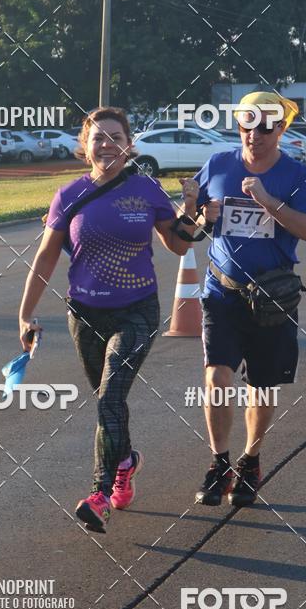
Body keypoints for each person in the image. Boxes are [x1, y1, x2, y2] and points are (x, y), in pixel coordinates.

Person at [18, 107, 201, 533]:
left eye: (115, 136)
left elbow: (178, 244)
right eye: (98, 137)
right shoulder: (68, 196)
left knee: (109, 395)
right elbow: (46, 256)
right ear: (86, 146)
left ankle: (99, 494)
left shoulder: (146, 190)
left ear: (129, 143)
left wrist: (190, 205)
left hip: (137, 309)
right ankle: (126, 461)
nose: (107, 144)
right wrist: (25, 313)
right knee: (109, 401)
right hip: (84, 313)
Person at [192, 91, 306, 509]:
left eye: (266, 126)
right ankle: (219, 462)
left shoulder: (297, 174)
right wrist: (195, 211)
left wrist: (269, 202)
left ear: (281, 130)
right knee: (216, 378)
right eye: (248, 124)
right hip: (222, 292)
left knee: (262, 389)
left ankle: (250, 460)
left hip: (271, 297)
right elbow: (190, 220)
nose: (255, 134)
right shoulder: (218, 164)